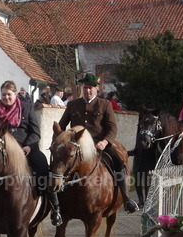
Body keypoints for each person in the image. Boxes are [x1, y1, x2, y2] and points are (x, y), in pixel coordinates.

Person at [0, 80, 62, 226]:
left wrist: (28, 146)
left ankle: (55, 207)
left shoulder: (27, 108)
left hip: (26, 149)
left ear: (15, 94)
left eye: (9, 95)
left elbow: (36, 132)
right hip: (3, 152)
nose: (6, 97)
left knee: (42, 166)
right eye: (3, 95)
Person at [58, 73, 139, 213]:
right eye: (85, 87)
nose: (88, 90)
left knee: (119, 163)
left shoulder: (105, 105)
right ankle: (55, 200)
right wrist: (62, 140)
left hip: (98, 144)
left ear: (96, 88)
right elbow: (61, 126)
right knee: (58, 164)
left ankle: (126, 199)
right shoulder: (72, 104)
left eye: (90, 88)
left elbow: (112, 128)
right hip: (77, 145)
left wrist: (105, 142)